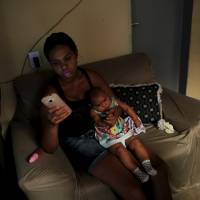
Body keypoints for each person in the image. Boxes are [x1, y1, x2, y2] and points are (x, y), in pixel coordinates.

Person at [40, 32, 172, 200]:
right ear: (51, 65)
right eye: (56, 63)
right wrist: (52, 125)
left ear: (76, 55)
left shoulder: (91, 77)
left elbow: (115, 105)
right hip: (84, 144)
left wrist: (113, 116)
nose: (64, 67)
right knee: (134, 190)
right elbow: (49, 147)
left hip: (111, 133)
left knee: (159, 169)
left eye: (67, 58)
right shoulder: (51, 93)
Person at [88, 87, 157, 183]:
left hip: (123, 130)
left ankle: (147, 164)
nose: (104, 104)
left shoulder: (114, 101)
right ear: (92, 106)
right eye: (99, 105)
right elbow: (98, 122)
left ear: (108, 96)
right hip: (109, 137)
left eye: (105, 100)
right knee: (120, 151)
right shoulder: (93, 112)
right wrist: (105, 121)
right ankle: (137, 171)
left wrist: (136, 120)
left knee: (136, 142)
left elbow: (127, 108)